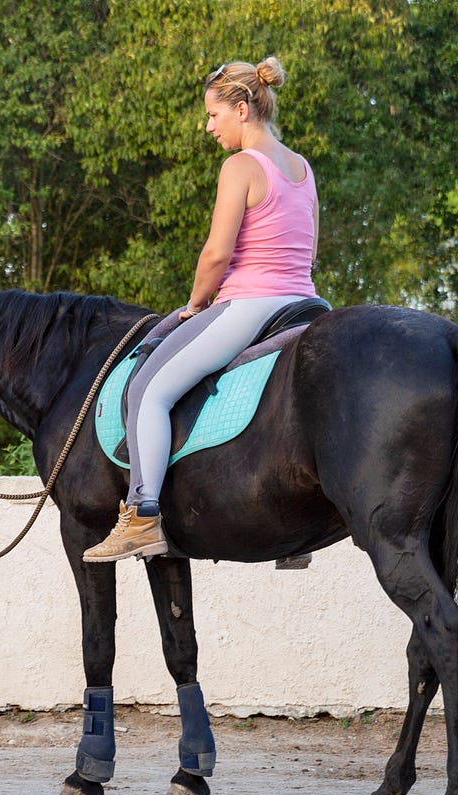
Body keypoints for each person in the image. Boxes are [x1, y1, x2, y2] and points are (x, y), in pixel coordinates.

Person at [83, 57, 320, 563]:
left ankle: (142, 516)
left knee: (146, 388)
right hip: (306, 303)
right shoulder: (302, 167)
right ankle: (297, 539)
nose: (208, 126)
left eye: (214, 115)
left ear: (241, 108)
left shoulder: (240, 166)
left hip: (252, 304)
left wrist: (195, 305)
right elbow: (308, 248)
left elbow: (216, 254)